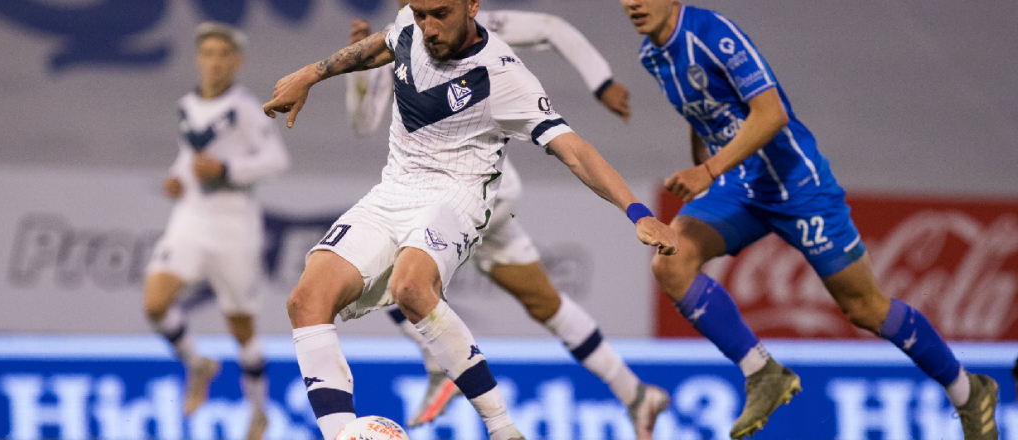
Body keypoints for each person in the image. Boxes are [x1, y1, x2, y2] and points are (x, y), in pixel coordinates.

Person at [261, 0, 680, 438]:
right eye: (421, 14)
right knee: (305, 300)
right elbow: (383, 45)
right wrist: (311, 74)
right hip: (394, 190)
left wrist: (637, 212)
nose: (429, 27)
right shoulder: (411, 25)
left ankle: (501, 427)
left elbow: (574, 150)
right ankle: (341, 432)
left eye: (441, 13)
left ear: (473, 5)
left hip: (458, 197)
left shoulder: (503, 75)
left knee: (411, 287)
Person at [619, 0, 1000, 438]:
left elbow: (772, 113)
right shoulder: (652, 55)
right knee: (670, 261)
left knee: (864, 308)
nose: (632, 3)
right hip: (739, 188)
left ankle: (968, 391)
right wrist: (705, 169)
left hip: (798, 187)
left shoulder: (713, 34)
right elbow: (702, 113)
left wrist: (707, 170)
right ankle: (763, 373)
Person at [143, 22, 290, 440]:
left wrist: (228, 169)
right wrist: (177, 178)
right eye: (208, 53)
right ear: (198, 59)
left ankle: (259, 411)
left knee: (242, 328)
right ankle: (198, 363)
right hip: (192, 217)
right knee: (155, 303)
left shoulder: (245, 109)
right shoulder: (186, 105)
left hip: (234, 226)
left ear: (237, 61)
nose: (216, 62)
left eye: (224, 54)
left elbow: (276, 160)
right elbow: (188, 156)